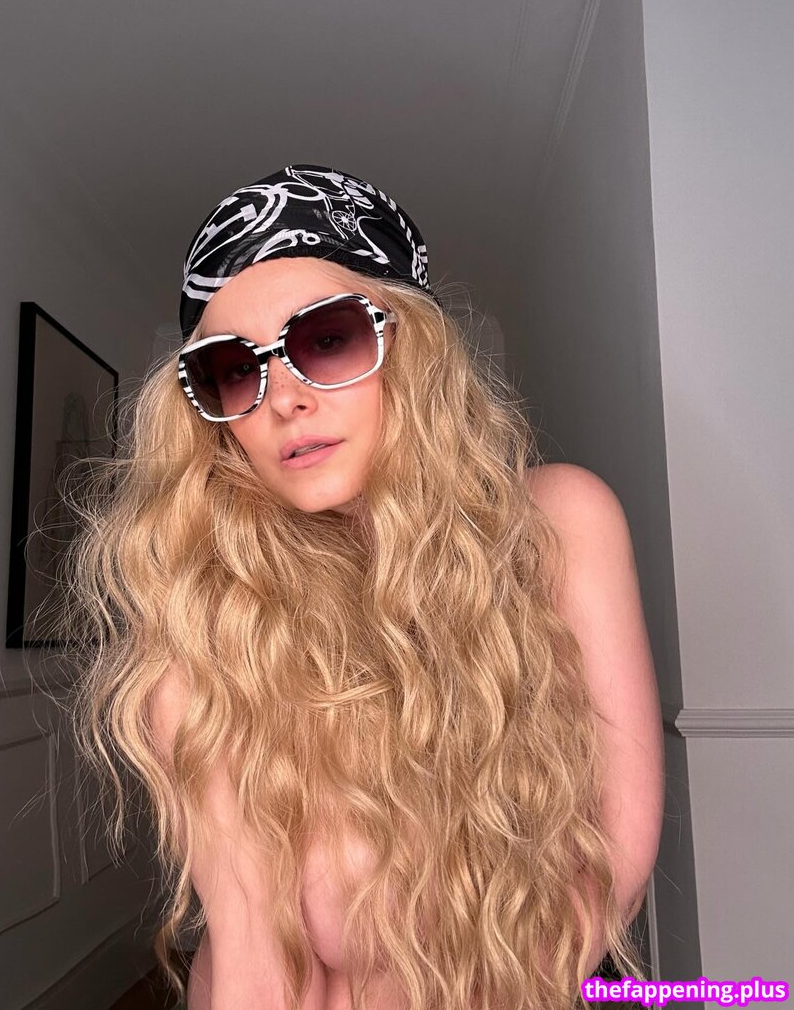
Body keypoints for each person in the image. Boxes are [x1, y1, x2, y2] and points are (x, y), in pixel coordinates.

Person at [55, 164, 664, 1010]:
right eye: (235, 369)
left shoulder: (559, 523)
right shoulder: (209, 623)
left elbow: (613, 860)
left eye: (326, 339)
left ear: (409, 348)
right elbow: (254, 959)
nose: (283, 400)